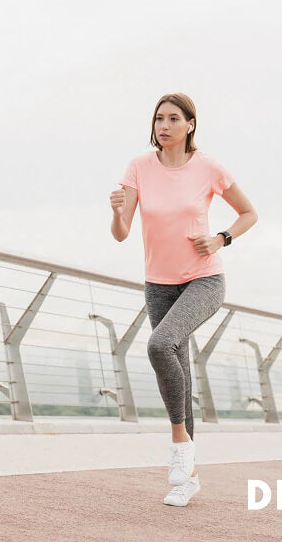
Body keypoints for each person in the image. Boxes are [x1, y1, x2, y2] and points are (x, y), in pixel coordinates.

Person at [108, 93, 258, 506]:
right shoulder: (138, 167)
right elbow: (121, 232)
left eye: (174, 118)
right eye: (159, 118)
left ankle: (178, 444)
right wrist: (118, 212)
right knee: (180, 369)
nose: (164, 125)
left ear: (190, 124)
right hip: (158, 284)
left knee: (160, 345)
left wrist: (221, 238)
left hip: (204, 280)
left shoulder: (209, 167)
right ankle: (187, 476)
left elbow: (249, 213)